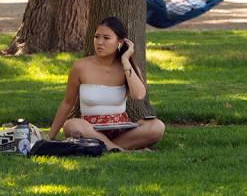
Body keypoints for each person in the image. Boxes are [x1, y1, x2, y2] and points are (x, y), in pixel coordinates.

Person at [46, 16, 166, 151]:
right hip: (90, 131)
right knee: (71, 126)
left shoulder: (128, 67)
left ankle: (108, 148)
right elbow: (67, 103)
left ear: (120, 42)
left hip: (121, 131)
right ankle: (121, 150)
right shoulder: (80, 66)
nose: (99, 42)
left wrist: (126, 60)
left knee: (157, 126)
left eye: (106, 38)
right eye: (97, 37)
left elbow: (139, 95)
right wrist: (50, 136)